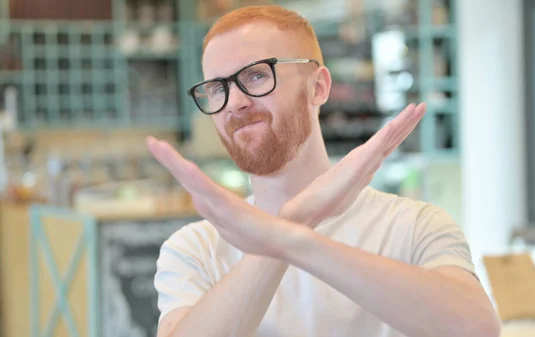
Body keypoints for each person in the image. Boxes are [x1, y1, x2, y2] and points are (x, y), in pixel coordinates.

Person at [147, 5, 500, 337]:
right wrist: (290, 224)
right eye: (217, 88)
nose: (235, 102)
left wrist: (290, 236)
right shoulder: (194, 249)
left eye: (255, 76)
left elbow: (478, 327)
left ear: (318, 87)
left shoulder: (412, 226)